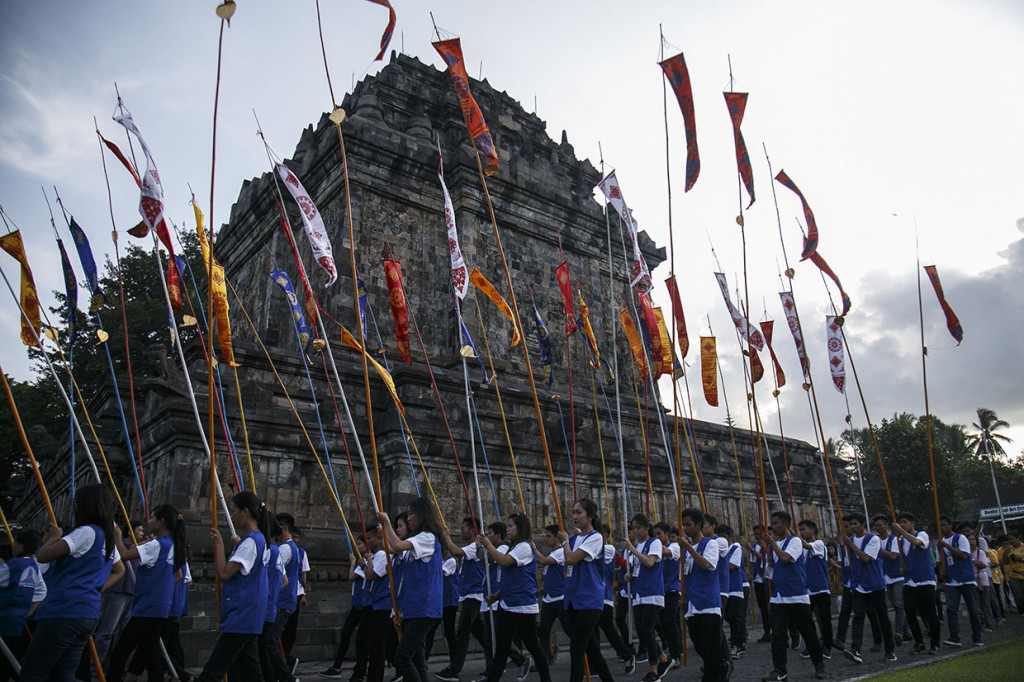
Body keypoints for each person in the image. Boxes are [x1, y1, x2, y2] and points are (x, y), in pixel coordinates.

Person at [19, 483, 125, 682]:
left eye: (77, 503)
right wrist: (93, 589)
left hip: (64, 610)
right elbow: (120, 570)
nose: (74, 508)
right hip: (87, 613)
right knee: (64, 676)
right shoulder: (107, 538)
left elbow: (42, 556)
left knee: (32, 673)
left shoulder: (86, 532)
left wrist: (53, 537)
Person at [196, 491, 270, 682]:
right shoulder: (257, 540)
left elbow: (225, 573)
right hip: (247, 616)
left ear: (245, 512)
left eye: (234, 510)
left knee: (212, 672)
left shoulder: (251, 542)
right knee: (248, 671)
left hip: (241, 616)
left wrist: (219, 546)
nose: (232, 515)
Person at [478, 512, 551, 682]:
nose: (508, 530)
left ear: (520, 528)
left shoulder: (525, 547)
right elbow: (511, 578)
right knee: (502, 648)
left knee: (533, 645)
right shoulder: (514, 547)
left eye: (511, 526)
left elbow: (503, 562)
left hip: (523, 606)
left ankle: (546, 678)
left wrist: (488, 545)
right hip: (507, 604)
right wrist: (496, 596)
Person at [379, 497, 444, 682]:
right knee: (416, 657)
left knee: (402, 656)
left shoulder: (427, 537)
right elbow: (394, 548)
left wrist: (385, 523)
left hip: (424, 606)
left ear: (423, 515)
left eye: (411, 514)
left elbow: (397, 545)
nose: (409, 518)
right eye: (407, 514)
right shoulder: (416, 542)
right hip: (414, 607)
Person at [760, 510, 825, 682]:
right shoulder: (775, 545)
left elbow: (786, 558)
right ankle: (780, 670)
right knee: (778, 636)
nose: (773, 527)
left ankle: (818, 663)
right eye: (772, 524)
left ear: (786, 524)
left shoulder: (794, 541)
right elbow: (773, 567)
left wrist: (772, 544)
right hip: (778, 596)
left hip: (796, 594)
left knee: (807, 632)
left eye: (776, 524)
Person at [558, 499, 614, 682]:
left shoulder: (596, 537)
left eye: (578, 513)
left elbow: (572, 559)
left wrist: (565, 542)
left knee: (577, 647)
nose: (574, 517)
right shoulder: (575, 539)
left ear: (590, 516)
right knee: (591, 648)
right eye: (573, 513)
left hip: (589, 599)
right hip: (574, 598)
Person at [435, 517, 494, 681]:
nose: (461, 531)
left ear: (472, 531)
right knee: (482, 635)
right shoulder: (472, 546)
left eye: (463, 528)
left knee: (462, 633)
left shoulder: (475, 547)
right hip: (468, 594)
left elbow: (456, 552)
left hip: (473, 595)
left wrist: (446, 536)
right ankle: (508, 659)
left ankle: (455, 670)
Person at [839, 512, 895, 664]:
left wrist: (850, 545)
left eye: (855, 524)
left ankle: (890, 649)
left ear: (863, 524)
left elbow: (865, 558)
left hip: (874, 583)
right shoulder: (848, 541)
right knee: (858, 617)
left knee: (883, 617)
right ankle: (855, 649)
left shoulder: (873, 539)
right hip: (858, 584)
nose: (852, 527)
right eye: (850, 525)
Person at [678, 508, 726, 682]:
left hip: (708, 602)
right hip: (692, 603)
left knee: (710, 647)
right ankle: (721, 668)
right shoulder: (686, 550)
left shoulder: (710, 544)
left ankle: (713, 676)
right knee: (699, 645)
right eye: (684, 525)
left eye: (688, 525)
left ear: (698, 525)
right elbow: (685, 576)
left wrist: (688, 548)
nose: (686, 528)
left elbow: (707, 565)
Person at [624, 514, 669, 681]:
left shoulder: (654, 543)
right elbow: (639, 568)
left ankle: (654, 669)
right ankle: (663, 657)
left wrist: (632, 549)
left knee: (648, 630)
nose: (636, 531)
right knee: (642, 631)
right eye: (633, 528)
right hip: (639, 593)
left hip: (653, 592)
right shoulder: (639, 545)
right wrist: (631, 577)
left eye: (639, 528)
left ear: (646, 528)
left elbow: (650, 563)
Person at [0, 528, 46, 682]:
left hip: (3, 617)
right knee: (10, 660)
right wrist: (29, 610)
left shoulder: (12, 565)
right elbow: (42, 590)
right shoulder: (33, 567)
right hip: (19, 621)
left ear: (21, 546)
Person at [892, 512, 941, 654]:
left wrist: (900, 531)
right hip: (910, 581)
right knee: (910, 611)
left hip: (925, 579)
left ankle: (935, 643)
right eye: (900, 522)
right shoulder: (901, 541)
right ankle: (919, 641)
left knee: (930, 612)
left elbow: (917, 543)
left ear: (913, 523)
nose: (902, 525)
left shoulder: (922, 535)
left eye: (905, 522)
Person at [320, 536, 368, 678]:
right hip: (357, 604)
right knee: (347, 634)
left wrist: (353, 563)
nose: (357, 546)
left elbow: (351, 576)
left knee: (358, 639)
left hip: (362, 605)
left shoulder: (364, 563)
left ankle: (356, 669)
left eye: (359, 544)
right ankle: (338, 666)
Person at [936, 514, 983, 647]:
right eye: (940, 526)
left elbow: (963, 555)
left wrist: (947, 546)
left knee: (973, 608)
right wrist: (941, 573)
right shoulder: (940, 543)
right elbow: (940, 561)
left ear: (950, 525)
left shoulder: (960, 538)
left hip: (965, 578)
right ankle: (954, 636)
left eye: (944, 525)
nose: (942, 528)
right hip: (952, 579)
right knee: (951, 609)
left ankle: (977, 635)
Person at [266, 513, 301, 682]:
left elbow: (278, 574)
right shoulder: (292, 548)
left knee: (270, 642)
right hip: (285, 601)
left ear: (284, 529)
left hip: (281, 601)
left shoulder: (286, 549)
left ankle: (286, 676)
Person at [595, 523, 634, 666]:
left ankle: (627, 654)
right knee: (592, 632)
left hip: (604, 596)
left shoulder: (609, 549)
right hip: (593, 597)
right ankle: (595, 664)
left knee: (608, 629)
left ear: (605, 536)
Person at [796, 519, 833, 660]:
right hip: (807, 589)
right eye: (800, 530)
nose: (802, 532)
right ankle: (813, 644)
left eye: (804, 529)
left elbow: (806, 545)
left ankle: (827, 646)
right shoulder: (802, 549)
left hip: (821, 588)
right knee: (806, 620)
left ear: (812, 530)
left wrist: (793, 535)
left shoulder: (818, 544)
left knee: (824, 620)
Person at [873, 514, 912, 643]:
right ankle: (906, 631)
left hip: (897, 576)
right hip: (885, 576)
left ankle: (899, 631)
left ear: (886, 526)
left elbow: (893, 556)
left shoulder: (894, 539)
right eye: (876, 526)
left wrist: (879, 550)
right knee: (896, 606)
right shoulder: (876, 540)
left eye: (880, 525)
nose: (878, 528)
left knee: (899, 603)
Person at [536, 524, 571, 664]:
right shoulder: (553, 553)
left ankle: (587, 652)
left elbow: (543, 561)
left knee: (569, 628)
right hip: (549, 598)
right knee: (543, 630)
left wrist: (533, 547)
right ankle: (545, 657)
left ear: (557, 538)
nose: (546, 539)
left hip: (560, 597)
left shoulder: (560, 552)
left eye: (549, 536)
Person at [653, 521, 683, 668]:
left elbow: (666, 552)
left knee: (669, 622)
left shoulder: (674, 546)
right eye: (655, 534)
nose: (657, 537)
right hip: (660, 590)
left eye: (659, 534)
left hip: (672, 590)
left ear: (666, 535)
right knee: (663, 622)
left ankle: (676, 653)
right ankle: (672, 647)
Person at [261, 514, 287, 682]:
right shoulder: (275, 550)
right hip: (270, 606)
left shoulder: (270, 550)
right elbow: (283, 581)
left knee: (262, 651)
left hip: (263, 608)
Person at [423, 545, 459, 664]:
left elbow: (439, 573)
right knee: (430, 630)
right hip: (439, 601)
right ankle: (425, 658)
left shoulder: (451, 561)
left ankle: (454, 660)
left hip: (449, 602)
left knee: (449, 631)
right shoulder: (441, 561)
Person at [283, 525, 309, 675]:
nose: (295, 540)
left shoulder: (300, 553)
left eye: (297, 537)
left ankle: (286, 658)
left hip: (296, 592)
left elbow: (303, 574)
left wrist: (304, 593)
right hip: (284, 593)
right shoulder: (283, 550)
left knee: (290, 629)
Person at [720, 524, 748, 660]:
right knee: (729, 617)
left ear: (730, 537)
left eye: (724, 538)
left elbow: (732, 566)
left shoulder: (736, 549)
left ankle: (739, 644)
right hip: (725, 588)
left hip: (736, 587)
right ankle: (736, 640)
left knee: (735, 617)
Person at [745, 525, 771, 643]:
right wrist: (750, 574)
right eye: (755, 534)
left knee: (771, 607)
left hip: (768, 580)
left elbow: (764, 559)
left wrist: (754, 550)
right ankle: (767, 631)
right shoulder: (755, 546)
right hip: (758, 579)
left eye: (759, 534)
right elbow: (752, 562)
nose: (757, 536)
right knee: (762, 607)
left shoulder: (769, 546)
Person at [968, 533, 995, 631]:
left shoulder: (980, 553)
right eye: (969, 540)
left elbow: (984, 565)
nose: (971, 542)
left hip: (982, 579)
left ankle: (989, 624)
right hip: (971, 580)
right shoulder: (965, 553)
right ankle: (980, 623)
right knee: (976, 604)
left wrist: (973, 560)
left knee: (985, 604)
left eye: (973, 539)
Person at [1000, 533, 1024, 614]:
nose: (1010, 541)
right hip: (1014, 576)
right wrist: (1004, 554)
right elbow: (1005, 562)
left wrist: (1017, 558)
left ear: (1018, 538)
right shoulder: (1009, 549)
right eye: (1009, 540)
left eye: (1012, 539)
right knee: (1018, 597)